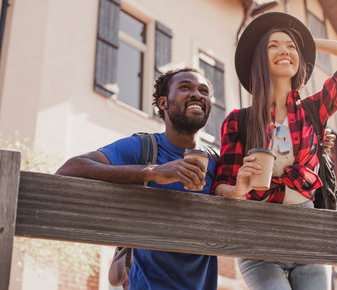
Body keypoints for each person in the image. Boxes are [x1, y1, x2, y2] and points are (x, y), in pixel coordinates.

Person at [213, 12, 337, 290]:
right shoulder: (238, 120)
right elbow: (221, 185)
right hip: (258, 240)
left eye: (290, 46)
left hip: (309, 235)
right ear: (260, 58)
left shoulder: (314, 110)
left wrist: (307, 42)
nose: (284, 50)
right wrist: (237, 190)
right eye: (273, 45)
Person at [56, 68, 218, 290]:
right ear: (163, 103)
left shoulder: (217, 161)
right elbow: (69, 169)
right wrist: (153, 172)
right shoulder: (143, 147)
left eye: (203, 90)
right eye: (185, 87)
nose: (197, 94)